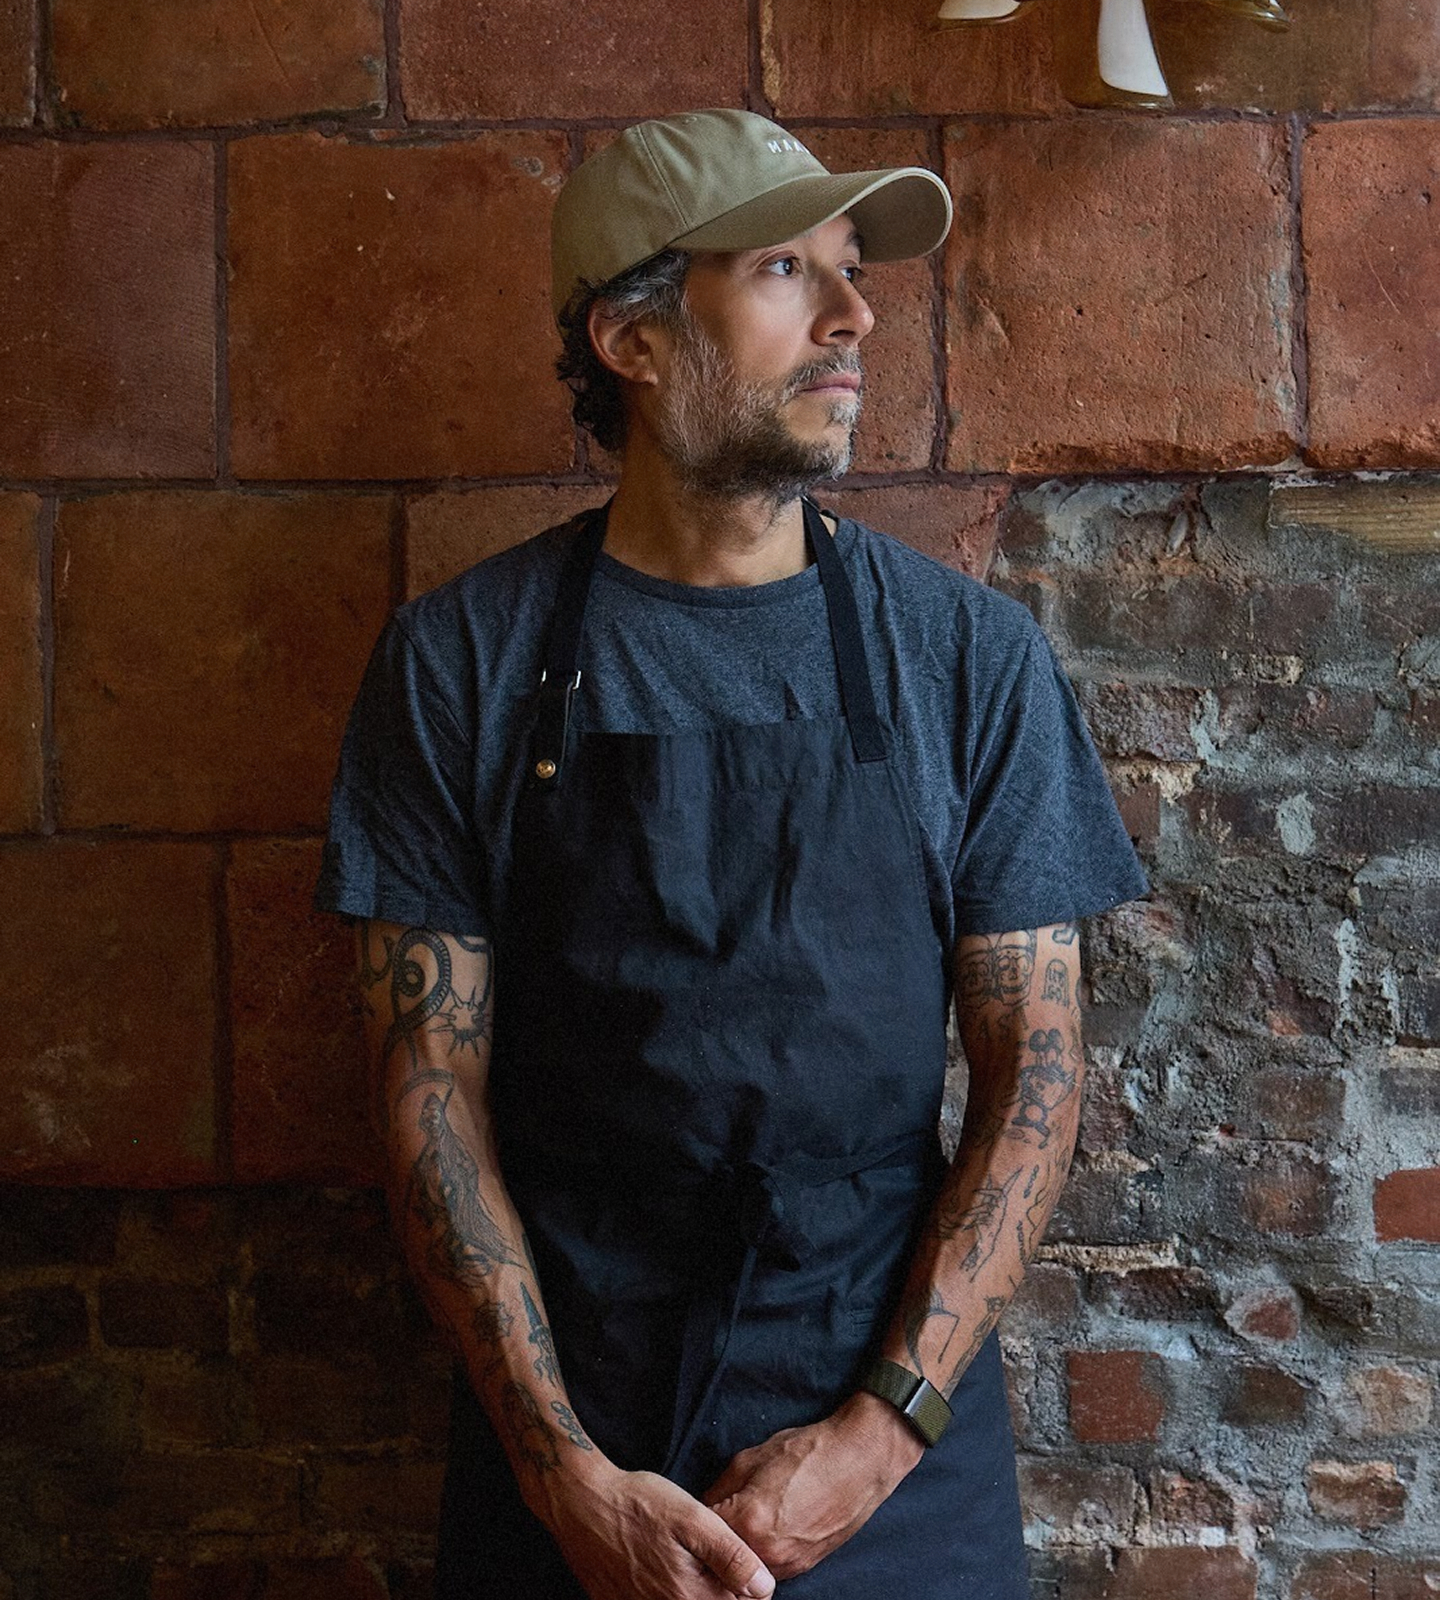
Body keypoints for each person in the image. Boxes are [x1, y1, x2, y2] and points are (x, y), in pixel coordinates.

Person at [316, 107, 1148, 1599]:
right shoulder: (463, 663)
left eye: (849, 269)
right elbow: (424, 1081)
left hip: (892, 1418)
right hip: (578, 1422)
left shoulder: (963, 659)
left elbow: (1037, 1071)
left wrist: (878, 1439)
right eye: (786, 268)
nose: (856, 314)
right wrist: (562, 1472)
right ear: (632, 340)